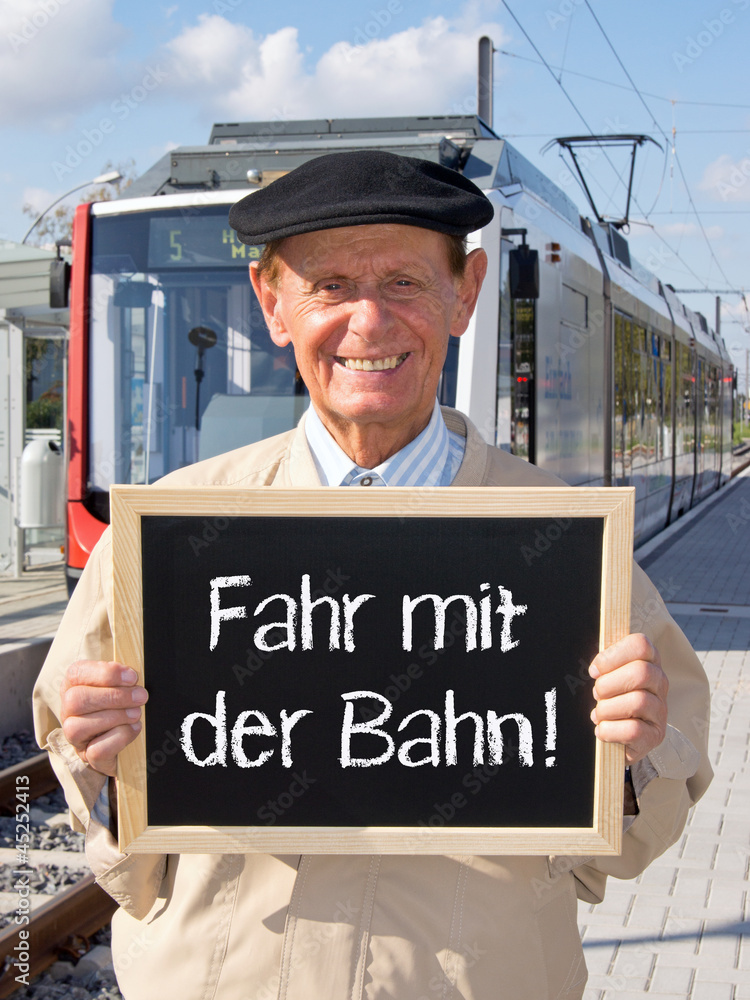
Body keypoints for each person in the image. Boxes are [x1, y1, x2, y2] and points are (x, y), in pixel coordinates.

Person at [33, 150, 712, 1000]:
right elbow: (104, 822)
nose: (368, 323)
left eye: (403, 283)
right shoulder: (172, 529)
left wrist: (630, 756)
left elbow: (636, 829)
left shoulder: (564, 541)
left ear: (464, 293)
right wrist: (103, 766)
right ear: (272, 303)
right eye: (329, 286)